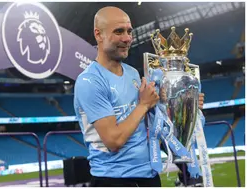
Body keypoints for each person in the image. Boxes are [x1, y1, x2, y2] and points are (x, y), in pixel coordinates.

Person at [73, 6, 205, 187]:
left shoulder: (133, 74)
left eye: (129, 31)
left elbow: (151, 124)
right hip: (114, 180)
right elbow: (114, 140)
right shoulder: (89, 81)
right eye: (118, 31)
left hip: (149, 176)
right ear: (98, 34)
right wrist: (143, 105)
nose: (127, 38)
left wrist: (182, 104)